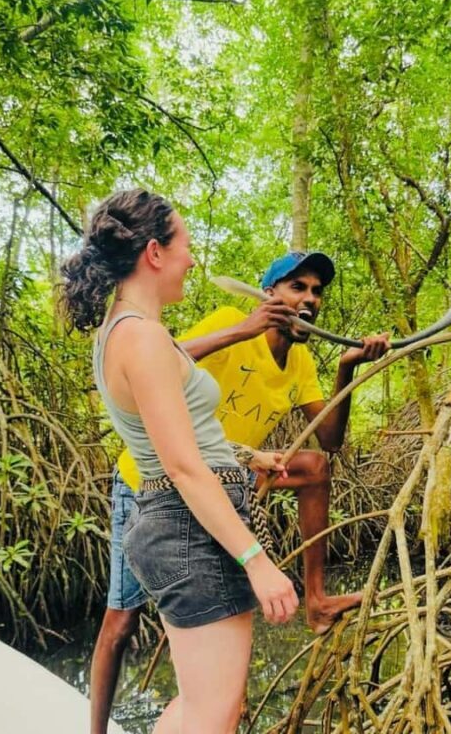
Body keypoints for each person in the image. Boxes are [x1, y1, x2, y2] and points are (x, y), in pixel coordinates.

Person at [90, 247, 389, 733]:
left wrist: (347, 368)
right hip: (151, 483)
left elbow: (329, 440)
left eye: (316, 291)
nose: (309, 299)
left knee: (313, 466)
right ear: (271, 295)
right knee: (121, 623)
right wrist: (245, 328)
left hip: (226, 480)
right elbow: (157, 357)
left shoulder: (301, 362)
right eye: (298, 287)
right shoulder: (231, 319)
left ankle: (316, 601)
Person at [62, 188, 299, 734]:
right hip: (189, 529)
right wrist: (257, 562)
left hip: (176, 524)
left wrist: (247, 456)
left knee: (203, 707)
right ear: (154, 252)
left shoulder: (129, 332)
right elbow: (183, 467)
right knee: (212, 716)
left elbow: (176, 439)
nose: (192, 260)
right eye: (186, 246)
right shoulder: (141, 339)